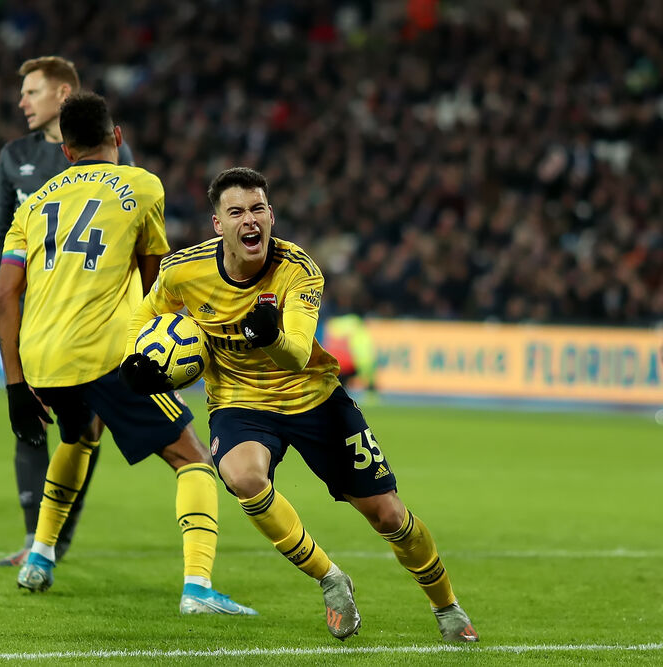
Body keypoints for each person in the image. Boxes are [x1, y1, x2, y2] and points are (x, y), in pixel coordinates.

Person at [123, 167, 478, 642]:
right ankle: (331, 580)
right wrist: (137, 362)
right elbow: (146, 315)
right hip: (239, 401)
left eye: (257, 209)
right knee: (242, 476)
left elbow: (294, 352)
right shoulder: (184, 270)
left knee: (388, 514)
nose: (250, 221)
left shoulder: (299, 270)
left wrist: (269, 335)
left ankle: (447, 607)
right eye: (237, 212)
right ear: (218, 224)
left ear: (270, 214)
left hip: (313, 397)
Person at [0, 92, 254, 615]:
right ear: (118, 138)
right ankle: (198, 588)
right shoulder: (141, 185)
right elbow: (157, 275)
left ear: (65, 151)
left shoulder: (36, 201)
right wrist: (166, 345)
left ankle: (39, 556)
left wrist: (16, 387)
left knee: (80, 435)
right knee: (193, 458)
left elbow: (4, 297)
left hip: (43, 359)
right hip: (107, 355)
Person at [0, 56, 134, 567]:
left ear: (64, 95)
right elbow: (0, 228)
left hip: (88, 315)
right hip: (31, 311)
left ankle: (55, 540)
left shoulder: (103, 158)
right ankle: (34, 540)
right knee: (30, 421)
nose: (22, 102)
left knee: (83, 429)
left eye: (32, 92)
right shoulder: (12, 155)